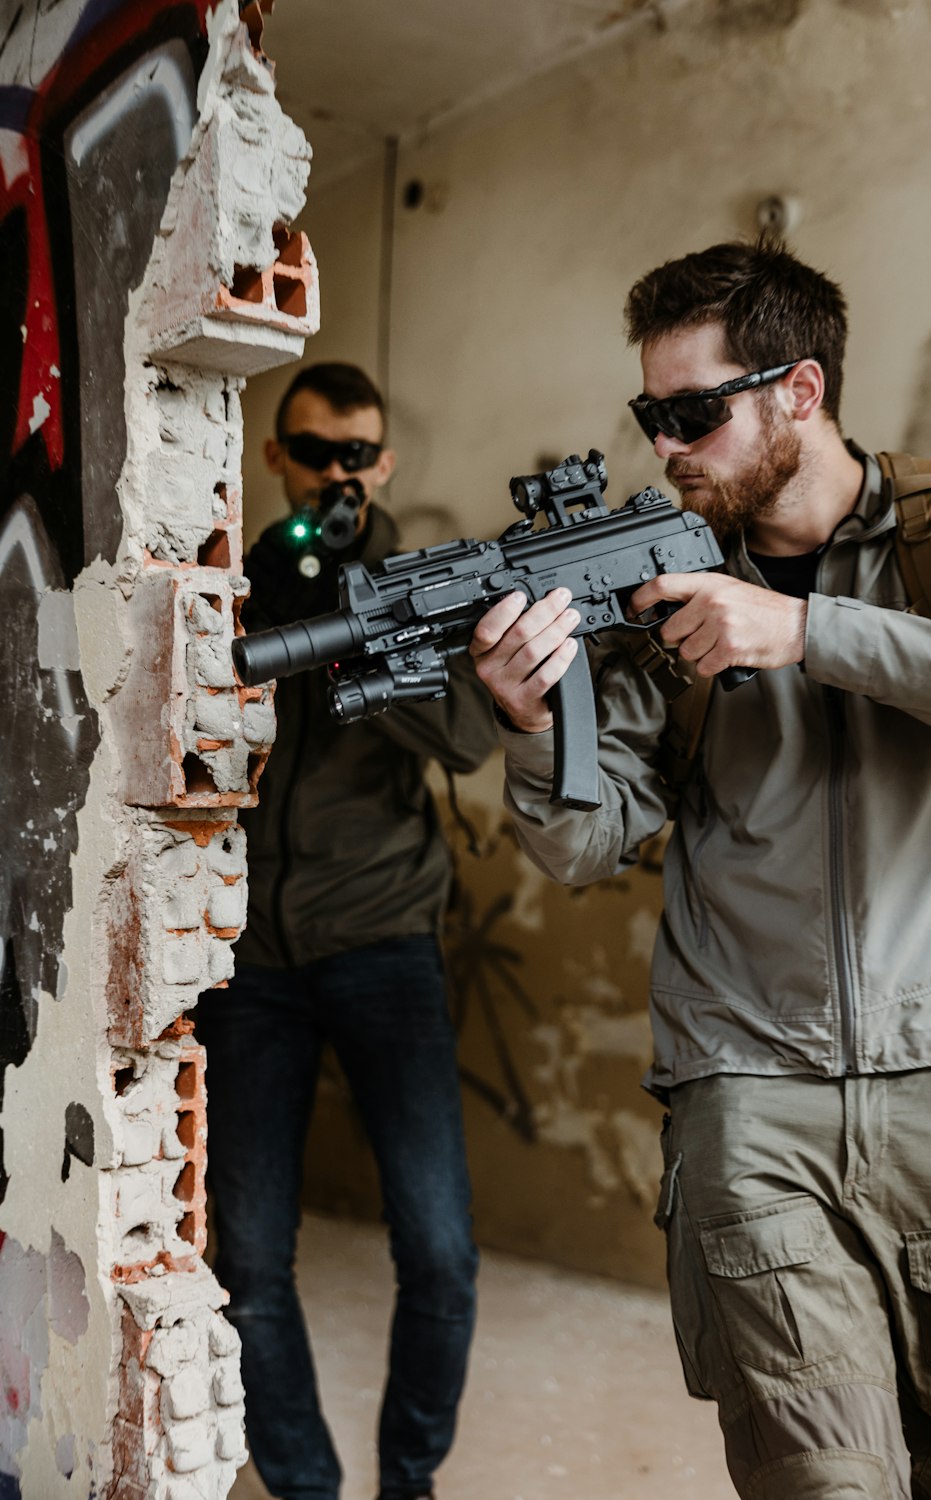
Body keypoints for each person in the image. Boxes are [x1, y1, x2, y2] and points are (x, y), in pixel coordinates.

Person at [469, 240, 931, 1498]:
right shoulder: (659, 596)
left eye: (692, 412)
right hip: (747, 1092)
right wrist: (532, 728)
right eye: (653, 414)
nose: (666, 444)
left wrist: (810, 630)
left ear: (799, 393)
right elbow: (585, 843)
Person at [198, 362, 496, 1500]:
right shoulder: (226, 571)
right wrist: (287, 598)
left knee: (439, 1253)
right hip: (249, 961)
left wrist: (364, 614)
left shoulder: (428, 578)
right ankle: (306, 1488)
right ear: (275, 455)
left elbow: (467, 740)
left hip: (383, 938)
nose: (338, 475)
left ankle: (407, 1481)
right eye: (315, 452)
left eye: (358, 455)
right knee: (251, 1263)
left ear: (386, 462)